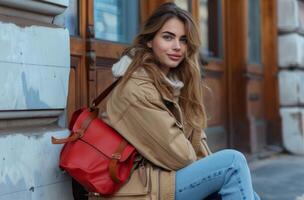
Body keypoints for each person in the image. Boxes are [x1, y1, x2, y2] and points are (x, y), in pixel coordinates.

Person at [89, 3, 260, 200]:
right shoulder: (136, 89)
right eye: (168, 37)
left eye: (184, 40)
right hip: (138, 187)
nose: (177, 47)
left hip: (162, 179)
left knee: (243, 188)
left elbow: (199, 149)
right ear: (150, 41)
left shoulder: (173, 84)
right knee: (233, 163)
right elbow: (181, 156)